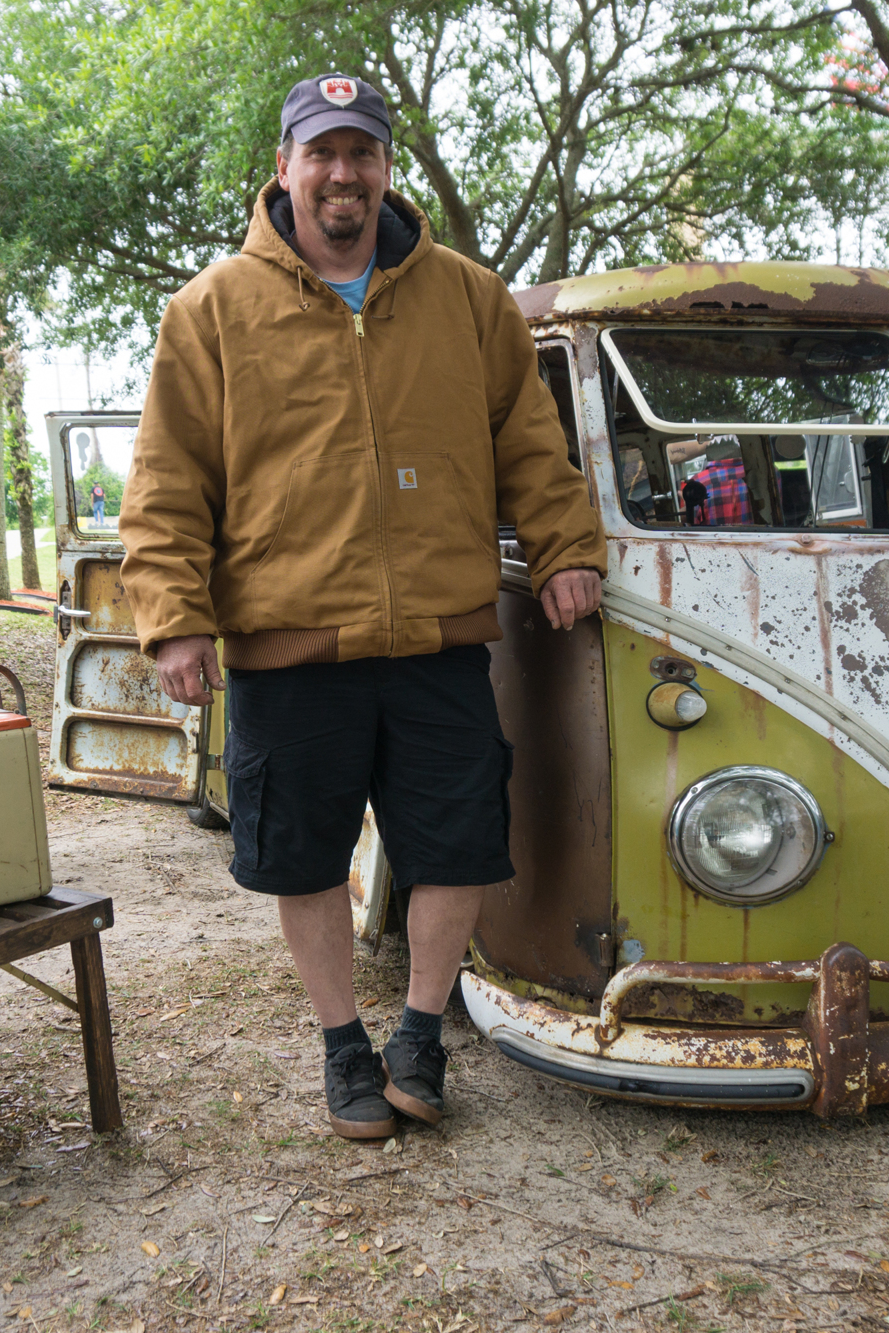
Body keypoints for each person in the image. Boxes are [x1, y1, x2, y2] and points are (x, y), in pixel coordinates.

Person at [119, 73, 606, 1141]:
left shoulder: (467, 298)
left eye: (363, 153)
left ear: (386, 167)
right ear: (285, 165)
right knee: (301, 853)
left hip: (435, 632)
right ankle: (343, 1045)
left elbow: (527, 439)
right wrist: (176, 614)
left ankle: (419, 1036)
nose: (343, 173)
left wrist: (567, 546)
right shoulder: (210, 310)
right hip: (286, 645)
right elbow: (165, 481)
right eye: (321, 152)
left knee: (456, 842)